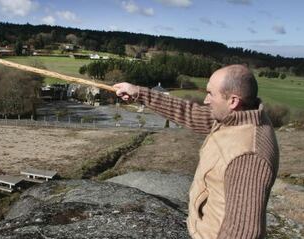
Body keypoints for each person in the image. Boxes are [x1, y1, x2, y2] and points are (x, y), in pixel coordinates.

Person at [113, 64, 279, 239]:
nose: (206, 100)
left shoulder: (248, 156)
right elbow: (190, 113)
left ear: (233, 101)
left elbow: (243, 232)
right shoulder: (236, 116)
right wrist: (139, 93)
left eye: (211, 94)